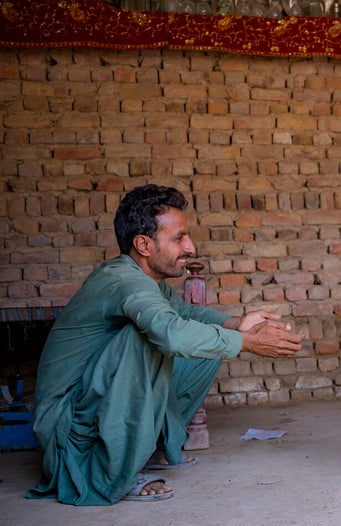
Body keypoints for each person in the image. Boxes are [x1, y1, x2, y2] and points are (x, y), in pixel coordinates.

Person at [27, 184, 304, 505]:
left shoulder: (145, 282)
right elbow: (171, 332)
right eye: (178, 239)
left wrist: (236, 325)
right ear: (144, 244)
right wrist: (249, 342)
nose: (191, 247)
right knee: (156, 336)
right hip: (67, 434)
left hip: (88, 411)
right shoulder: (125, 281)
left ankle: (147, 447)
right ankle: (110, 471)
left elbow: (184, 313)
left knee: (203, 340)